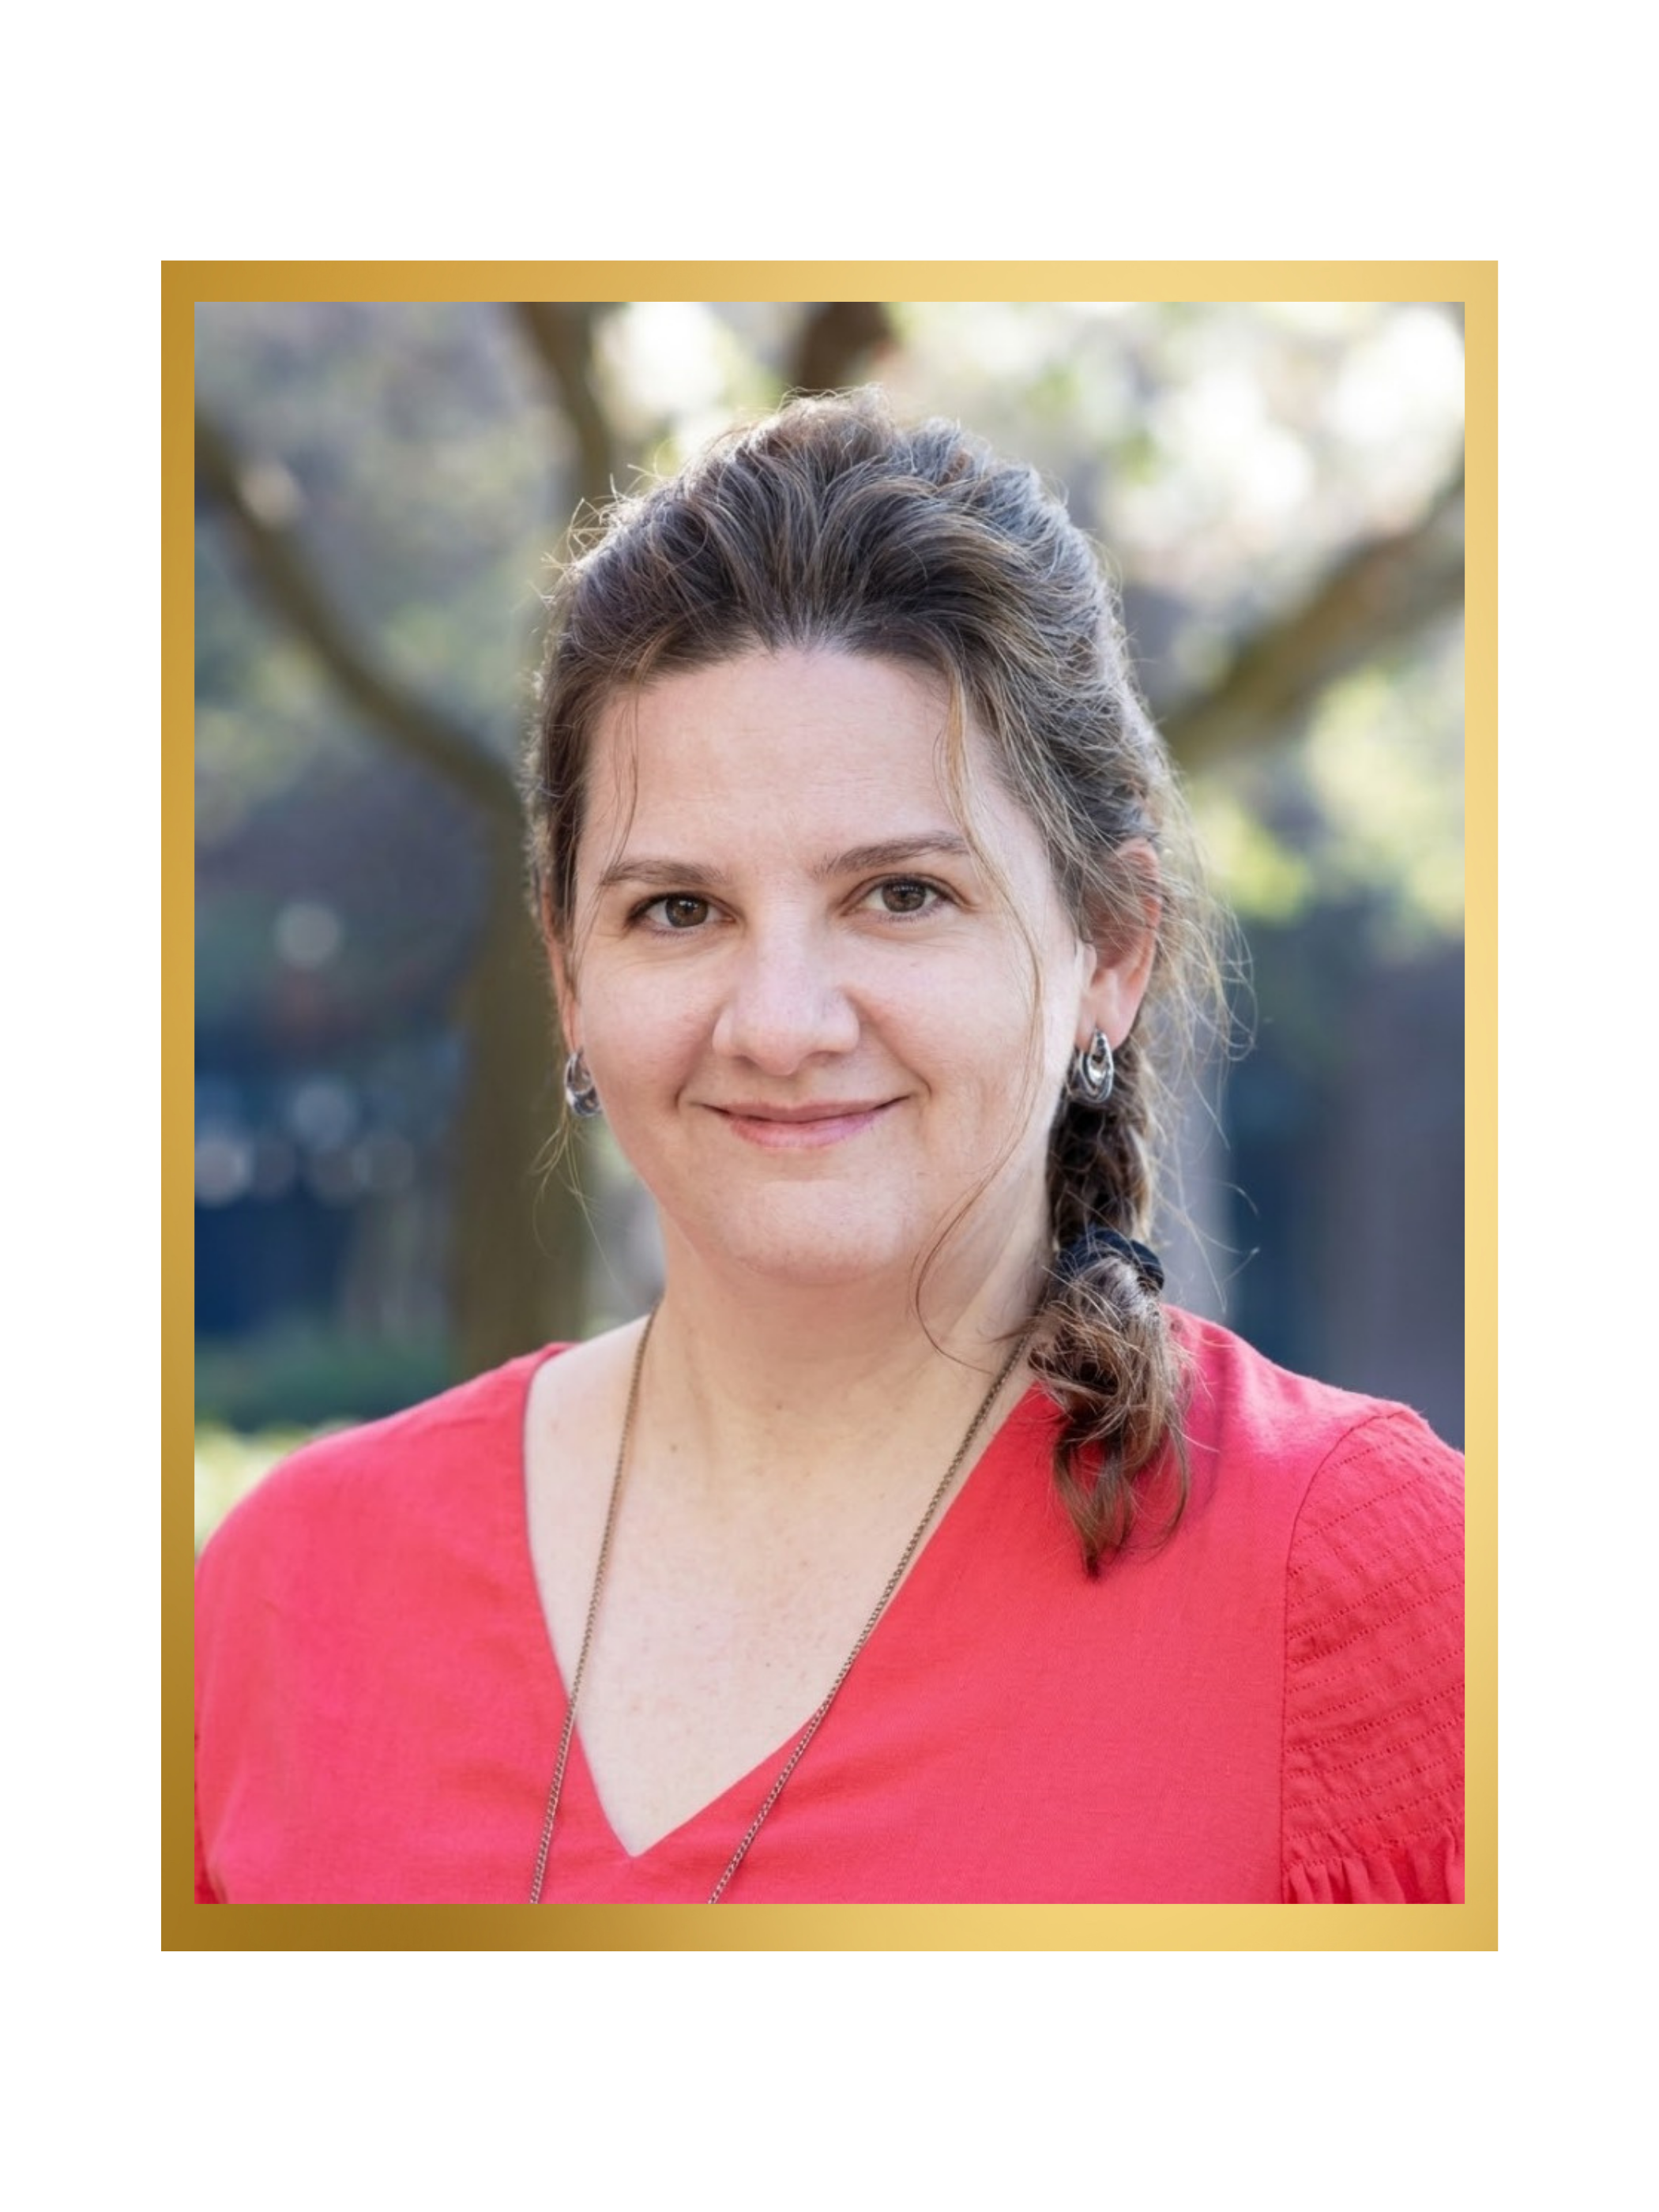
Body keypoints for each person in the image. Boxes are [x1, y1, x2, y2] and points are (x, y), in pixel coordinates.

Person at [194, 391, 1463, 1905]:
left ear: (1110, 947)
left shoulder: (1358, 1581)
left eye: (900, 895)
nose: (781, 1022)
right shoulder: (290, 1594)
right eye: (679, 909)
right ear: (568, 979)